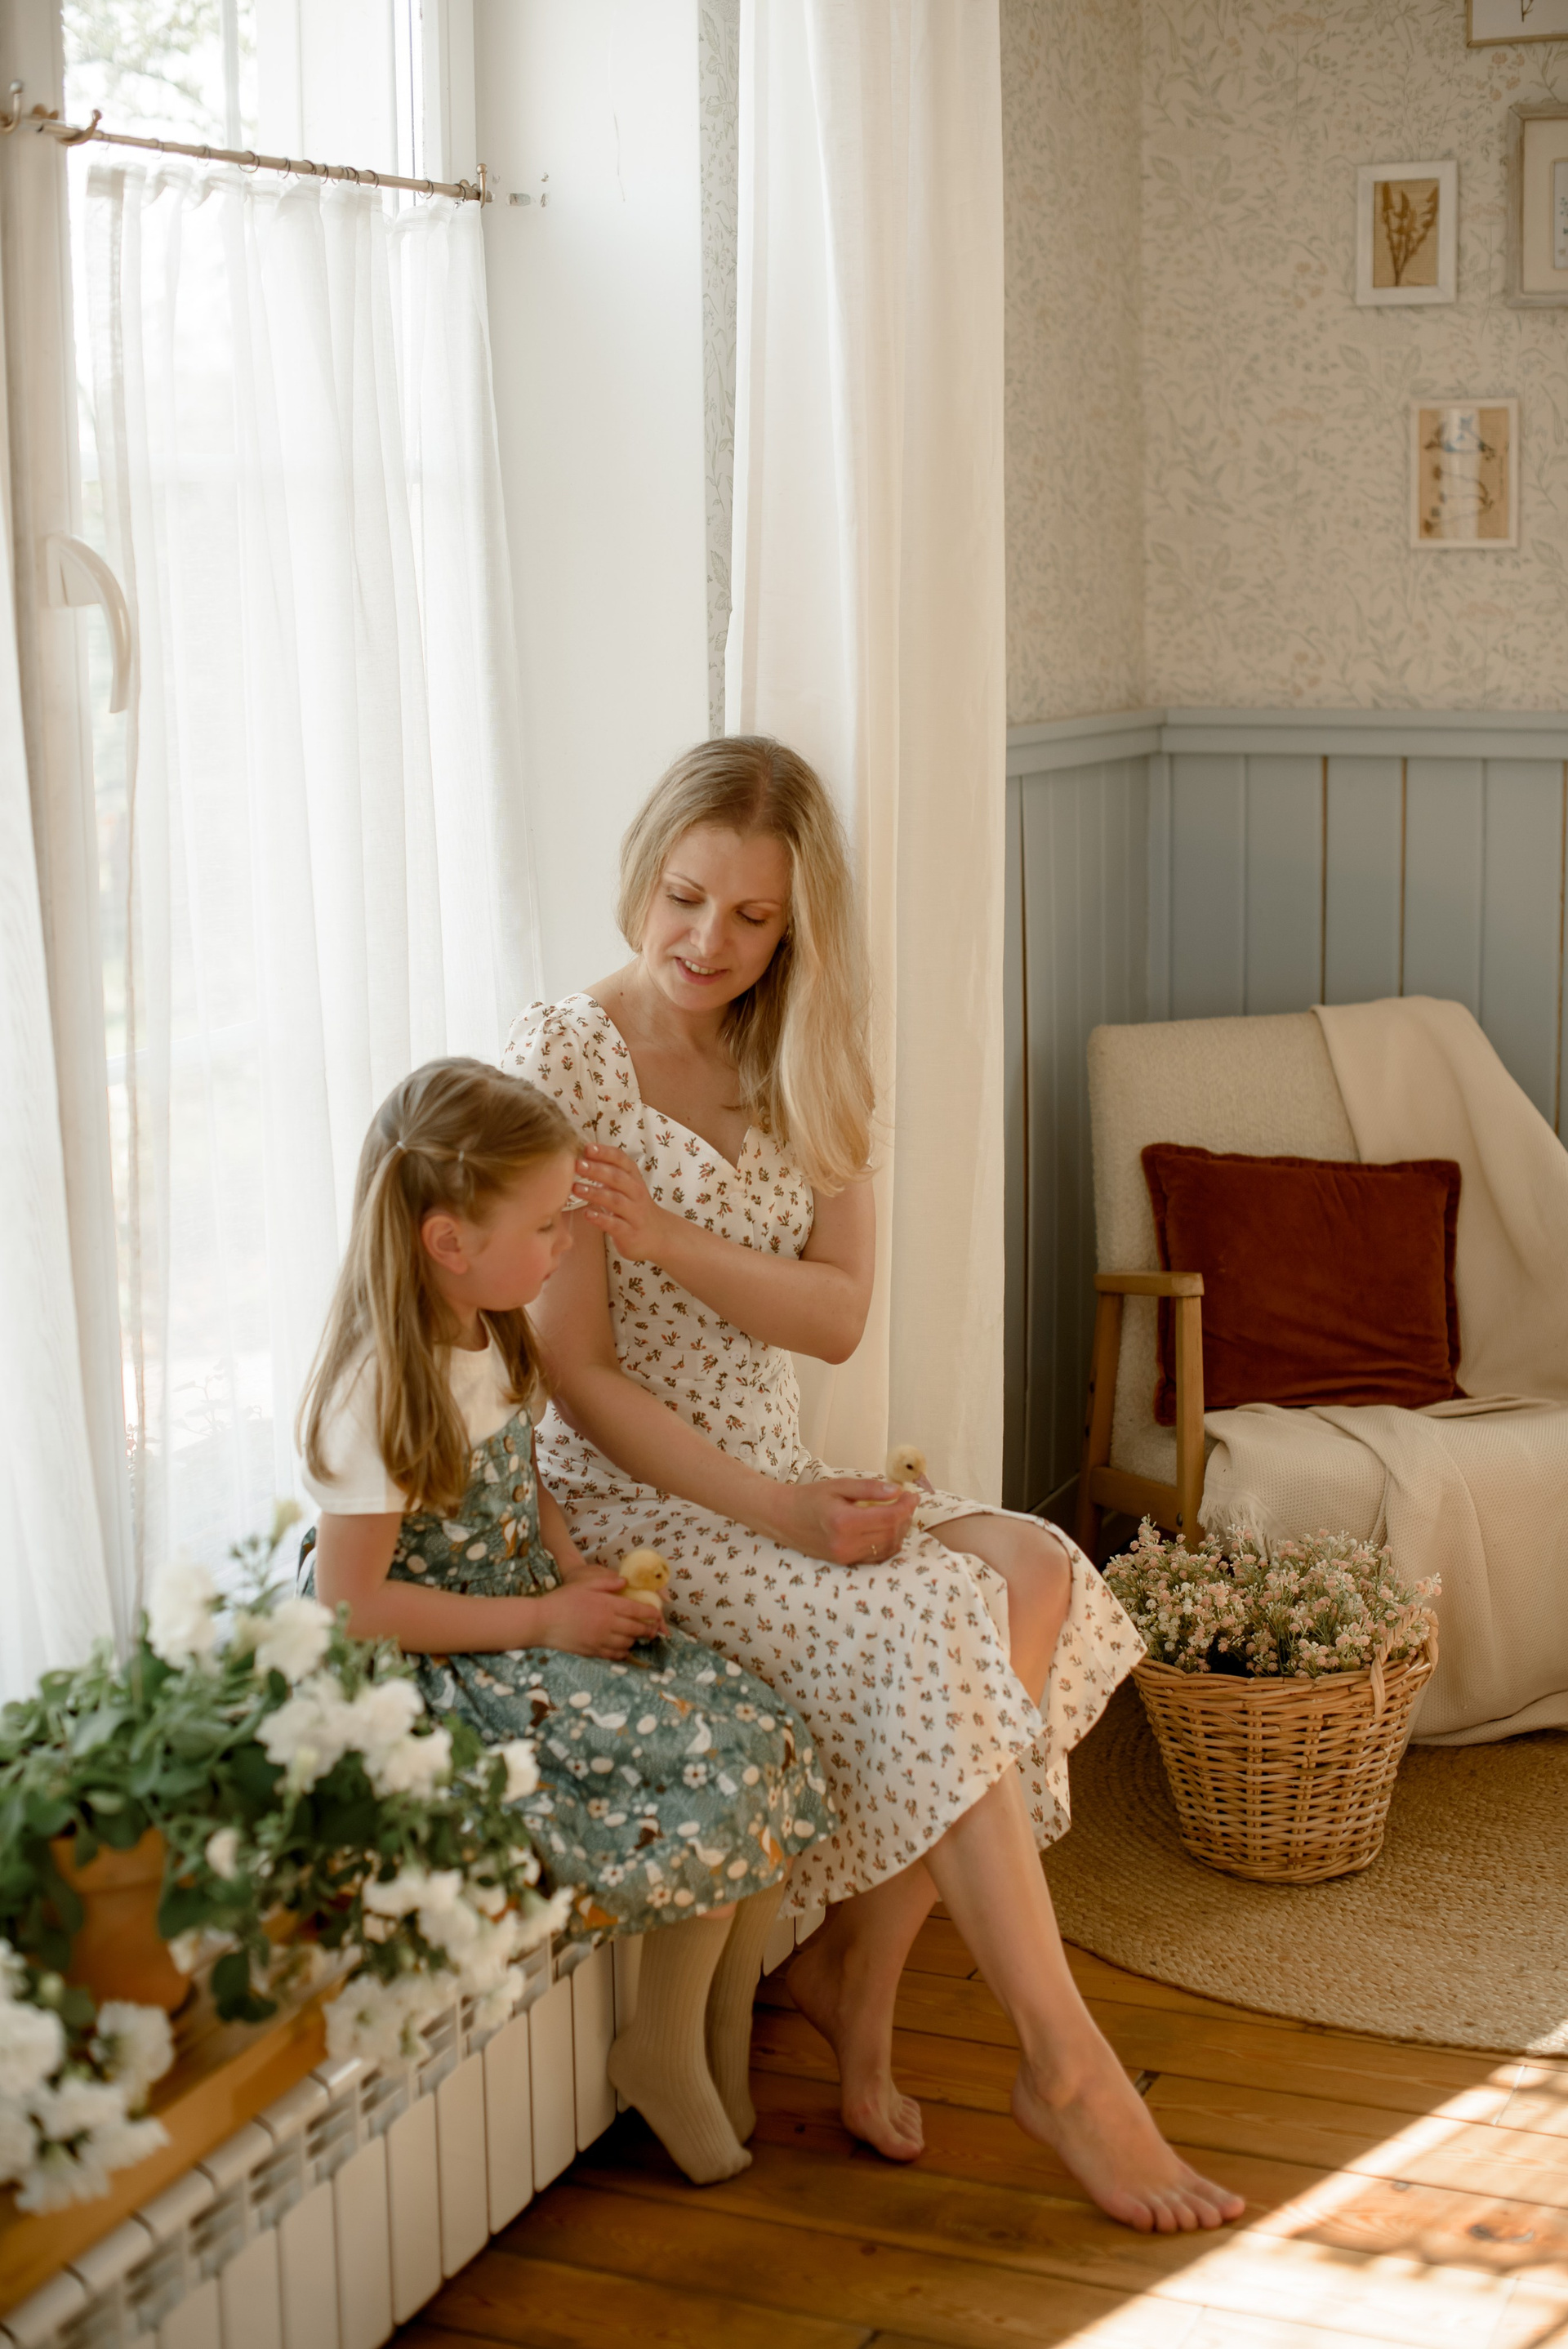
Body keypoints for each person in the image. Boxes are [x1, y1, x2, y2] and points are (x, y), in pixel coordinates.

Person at [503, 738, 1245, 2233]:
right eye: (684, 896)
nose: (707, 941)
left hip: (776, 1471)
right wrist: (773, 1511)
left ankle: (857, 1968)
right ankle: (1068, 2070)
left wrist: (674, 1244)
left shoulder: (809, 1047)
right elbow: (577, 1374)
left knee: (1034, 1569)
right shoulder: (566, 1059)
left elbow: (837, 1313)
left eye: (752, 917)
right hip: (641, 1507)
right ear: (643, 870)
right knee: (931, 1624)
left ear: (797, 926)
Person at [295, 1056, 835, 2184]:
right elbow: (351, 1609)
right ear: (450, 1240)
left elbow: (522, 1474)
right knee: (713, 1771)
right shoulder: (380, 1390)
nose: (564, 1243)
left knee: (770, 1729)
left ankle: (715, 2026)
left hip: (529, 1608)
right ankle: (660, 2053)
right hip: (450, 1661)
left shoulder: (490, 1327)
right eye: (544, 1226)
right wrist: (545, 1619)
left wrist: (577, 1568)